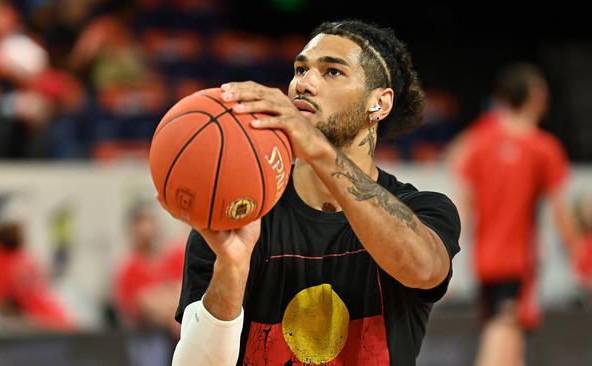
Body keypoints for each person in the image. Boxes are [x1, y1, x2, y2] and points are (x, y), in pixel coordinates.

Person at [171, 20, 461, 365]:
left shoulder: (422, 208)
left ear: (379, 104)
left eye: (332, 72)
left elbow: (423, 268)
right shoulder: (240, 210)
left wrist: (318, 150)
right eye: (300, 69)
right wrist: (232, 267)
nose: (303, 84)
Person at [456, 63, 583, 366]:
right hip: (517, 262)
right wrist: (577, 249)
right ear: (534, 98)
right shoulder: (543, 147)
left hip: (483, 259)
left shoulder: (479, 141)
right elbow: (559, 209)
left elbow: (464, 198)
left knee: (512, 346)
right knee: (501, 342)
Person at [0, 193, 75, 330]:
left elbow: (46, 291)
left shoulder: (25, 256)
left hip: (62, 327)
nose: (18, 231)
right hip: (39, 335)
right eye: (12, 227)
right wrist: (36, 326)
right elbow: (4, 311)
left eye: (20, 227)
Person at [114, 200, 185, 334]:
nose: (146, 228)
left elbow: (186, 294)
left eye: (150, 221)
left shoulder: (178, 255)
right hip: (150, 338)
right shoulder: (127, 269)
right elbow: (141, 307)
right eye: (140, 222)